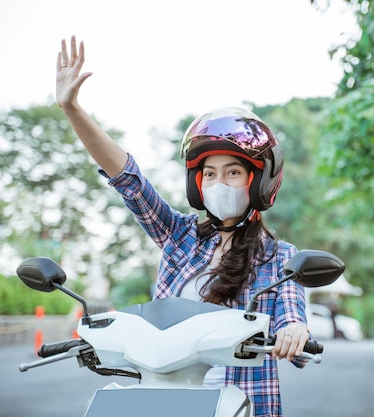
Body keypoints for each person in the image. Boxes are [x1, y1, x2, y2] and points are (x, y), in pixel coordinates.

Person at [55, 35, 309, 417]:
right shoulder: (179, 237)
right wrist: (72, 108)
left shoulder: (277, 257)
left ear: (259, 181)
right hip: (165, 399)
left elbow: (292, 313)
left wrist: (294, 331)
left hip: (238, 404)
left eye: (233, 172)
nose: (218, 183)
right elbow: (128, 179)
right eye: (209, 173)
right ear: (196, 182)